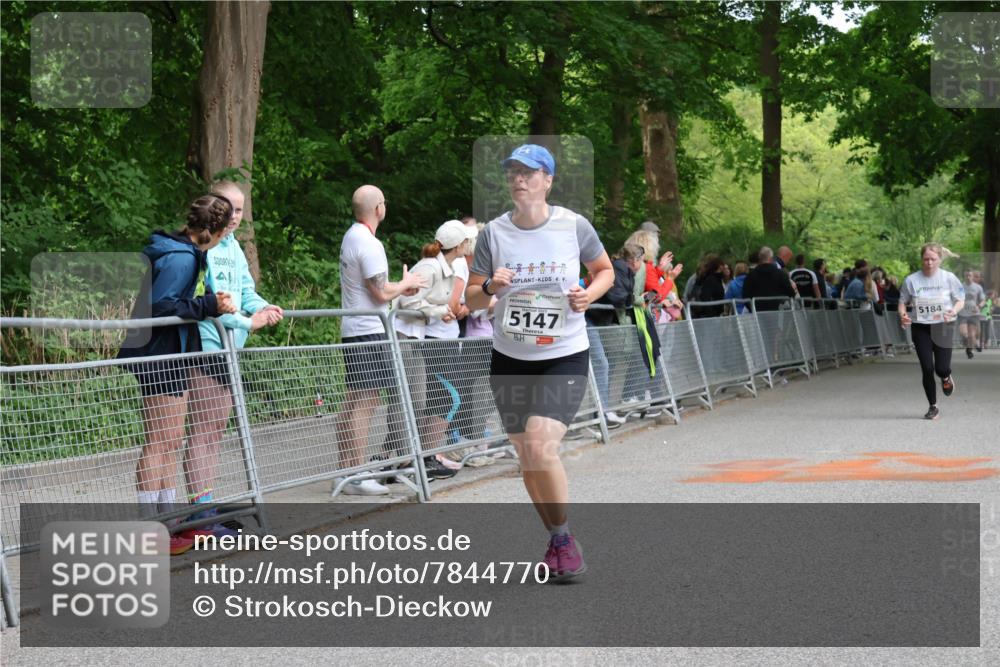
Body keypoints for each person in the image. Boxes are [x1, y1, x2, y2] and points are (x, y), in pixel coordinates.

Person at [467, 144, 613, 581]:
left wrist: (590, 293)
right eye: (513, 172)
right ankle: (555, 536)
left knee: (539, 445)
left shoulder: (573, 225)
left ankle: (565, 540)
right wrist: (491, 286)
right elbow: (471, 300)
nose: (519, 179)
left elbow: (604, 269)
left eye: (529, 173)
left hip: (563, 354)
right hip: (510, 358)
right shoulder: (493, 233)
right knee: (527, 457)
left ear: (548, 180)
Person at [118, 194, 238, 555]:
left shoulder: (184, 251)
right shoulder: (179, 257)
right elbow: (163, 305)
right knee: (159, 441)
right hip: (158, 355)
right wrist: (209, 305)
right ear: (212, 231)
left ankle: (170, 521)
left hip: (174, 353)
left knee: (171, 441)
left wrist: (207, 303)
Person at [180, 182, 284, 542]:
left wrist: (262, 308)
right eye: (231, 209)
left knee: (213, 433)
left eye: (241, 210)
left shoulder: (233, 247)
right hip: (207, 347)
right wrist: (246, 322)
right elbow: (211, 303)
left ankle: (204, 508)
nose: (236, 217)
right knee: (204, 432)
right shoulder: (204, 247)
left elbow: (244, 292)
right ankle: (200, 512)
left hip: (229, 349)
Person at [336, 185, 427, 495]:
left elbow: (379, 288)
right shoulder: (369, 243)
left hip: (354, 328)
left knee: (354, 401)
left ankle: (346, 471)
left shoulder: (352, 236)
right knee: (366, 402)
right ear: (379, 209)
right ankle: (357, 474)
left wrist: (400, 287)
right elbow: (380, 293)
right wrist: (407, 283)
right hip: (369, 330)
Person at [396, 220, 477, 478]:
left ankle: (421, 458)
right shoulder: (431, 267)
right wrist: (441, 311)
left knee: (428, 400)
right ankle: (408, 459)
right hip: (411, 338)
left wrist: (440, 311)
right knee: (427, 400)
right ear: (460, 245)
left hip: (419, 338)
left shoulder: (447, 266)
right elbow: (408, 302)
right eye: (467, 241)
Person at [898, 242, 965, 420]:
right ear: (921, 259)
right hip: (921, 327)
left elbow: (960, 299)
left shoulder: (949, 278)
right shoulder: (911, 280)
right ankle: (933, 406)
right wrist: (903, 315)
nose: (929, 263)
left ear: (939, 259)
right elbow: (903, 301)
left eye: (933, 259)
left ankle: (945, 376)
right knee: (927, 368)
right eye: (926, 259)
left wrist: (954, 310)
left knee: (941, 368)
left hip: (943, 325)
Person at [585, 243, 644, 426]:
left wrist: (629, 299)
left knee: (606, 362)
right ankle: (600, 413)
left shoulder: (624, 271)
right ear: (635, 260)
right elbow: (617, 297)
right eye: (641, 260)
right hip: (589, 318)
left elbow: (624, 297)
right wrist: (630, 300)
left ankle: (602, 411)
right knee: (601, 364)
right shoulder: (618, 270)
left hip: (599, 320)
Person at [742, 246, 795, 311]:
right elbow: (791, 293)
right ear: (771, 259)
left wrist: (752, 309)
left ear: (760, 258)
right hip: (777, 312)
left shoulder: (750, 275)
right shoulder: (781, 274)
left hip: (758, 313)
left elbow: (745, 295)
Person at [958, 269, 986, 358]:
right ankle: (973, 344)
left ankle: (969, 350)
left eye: (970, 275)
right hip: (962, 313)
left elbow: (983, 300)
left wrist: (979, 306)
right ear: (964, 276)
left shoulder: (978, 287)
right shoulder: (960, 287)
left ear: (973, 277)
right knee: (963, 333)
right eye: (966, 275)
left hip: (974, 314)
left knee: (972, 334)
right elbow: (955, 299)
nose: (968, 277)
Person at [689, 254, 726, 319]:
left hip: (712, 315)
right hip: (709, 316)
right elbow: (706, 297)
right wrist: (712, 315)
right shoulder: (710, 280)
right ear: (719, 266)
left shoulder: (712, 278)